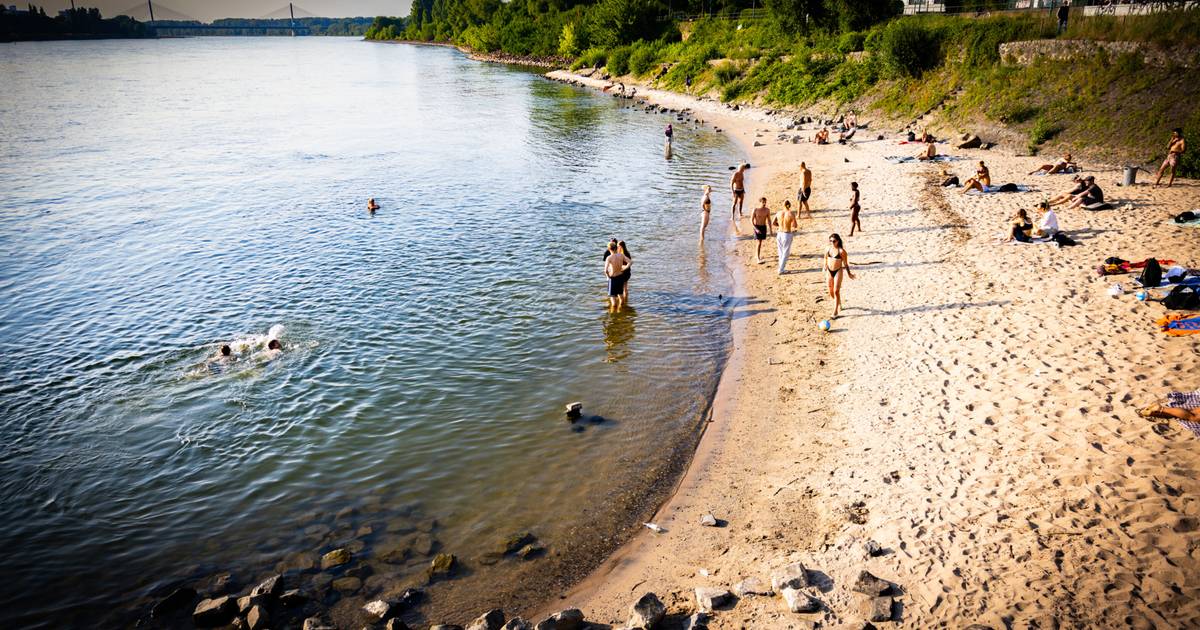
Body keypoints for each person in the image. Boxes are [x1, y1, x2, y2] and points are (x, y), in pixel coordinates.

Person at [823, 233, 855, 318]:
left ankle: (835, 311)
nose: (832, 243)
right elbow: (825, 258)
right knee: (830, 291)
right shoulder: (827, 249)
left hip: (838, 271)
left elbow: (845, 264)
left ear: (838, 241)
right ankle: (838, 302)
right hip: (829, 271)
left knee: (836, 291)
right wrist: (824, 266)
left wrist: (849, 273)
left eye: (834, 241)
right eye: (830, 241)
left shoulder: (841, 251)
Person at [604, 241, 630, 311]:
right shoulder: (621, 255)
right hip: (620, 277)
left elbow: (605, 270)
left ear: (609, 249)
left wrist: (608, 277)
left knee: (613, 298)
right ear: (616, 248)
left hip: (613, 278)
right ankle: (620, 310)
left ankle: (614, 314)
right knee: (620, 296)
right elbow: (630, 262)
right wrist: (625, 268)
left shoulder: (609, 258)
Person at [774, 200, 798, 274]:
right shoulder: (791, 213)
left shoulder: (778, 213)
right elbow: (795, 225)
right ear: (789, 205)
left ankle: (781, 267)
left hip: (779, 233)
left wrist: (780, 225)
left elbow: (773, 223)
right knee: (786, 252)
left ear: (783, 205)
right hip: (787, 233)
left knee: (780, 251)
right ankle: (781, 269)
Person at [750, 197, 772, 264]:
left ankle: (756, 255)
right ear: (760, 202)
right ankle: (758, 258)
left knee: (760, 242)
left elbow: (769, 220)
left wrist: (770, 229)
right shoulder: (755, 210)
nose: (764, 203)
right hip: (757, 227)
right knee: (759, 242)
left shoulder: (767, 210)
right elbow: (751, 220)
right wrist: (756, 229)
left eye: (765, 202)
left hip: (763, 227)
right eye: (763, 202)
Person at [730, 163, 748, 232]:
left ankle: (740, 212)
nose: (744, 170)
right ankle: (732, 216)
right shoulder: (735, 174)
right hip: (736, 190)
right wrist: (732, 192)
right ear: (740, 168)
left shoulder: (742, 174)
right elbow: (731, 183)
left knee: (741, 202)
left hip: (741, 190)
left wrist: (744, 189)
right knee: (734, 203)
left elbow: (742, 182)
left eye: (744, 169)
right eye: (743, 169)